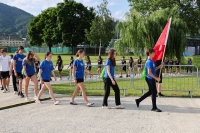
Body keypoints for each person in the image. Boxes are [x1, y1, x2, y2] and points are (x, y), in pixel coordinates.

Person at [135, 48, 162, 112]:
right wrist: (156, 78)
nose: (154, 54)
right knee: (154, 92)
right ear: (149, 53)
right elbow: (149, 72)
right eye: (153, 53)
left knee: (150, 92)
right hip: (150, 78)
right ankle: (154, 107)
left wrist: (159, 67)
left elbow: (153, 69)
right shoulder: (149, 61)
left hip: (151, 78)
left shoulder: (151, 61)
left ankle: (138, 100)